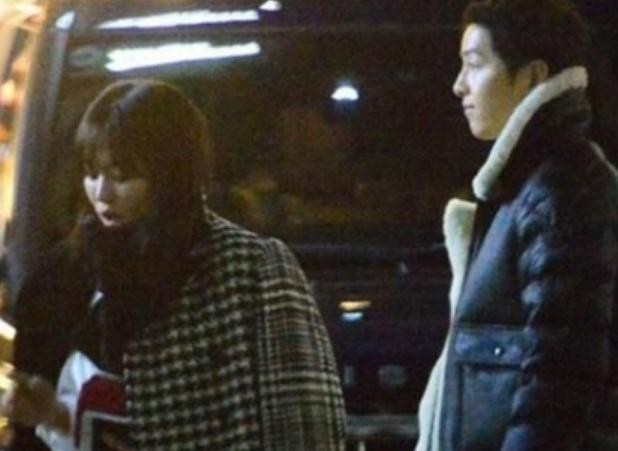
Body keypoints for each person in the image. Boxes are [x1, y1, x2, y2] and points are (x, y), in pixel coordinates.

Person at [0, 79, 346, 450]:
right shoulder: (61, 278)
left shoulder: (252, 269)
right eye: (92, 173)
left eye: (122, 176)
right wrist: (52, 415)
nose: (102, 193)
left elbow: (305, 426)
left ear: (170, 174)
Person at [416, 0, 618, 450]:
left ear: (532, 75)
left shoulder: (561, 188)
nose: (458, 85)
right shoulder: (523, 186)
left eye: (474, 64)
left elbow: (559, 378)